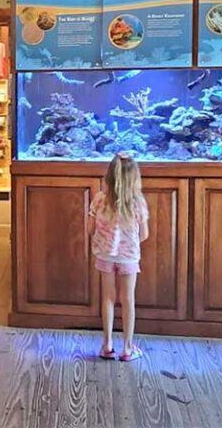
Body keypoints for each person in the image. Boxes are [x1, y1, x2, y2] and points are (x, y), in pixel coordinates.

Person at [88, 153, 149, 362]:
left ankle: (107, 345)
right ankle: (127, 348)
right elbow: (144, 234)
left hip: (105, 255)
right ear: (135, 179)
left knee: (108, 298)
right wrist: (130, 244)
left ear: (109, 176)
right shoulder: (138, 203)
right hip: (129, 257)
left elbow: (89, 228)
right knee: (128, 299)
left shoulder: (99, 200)